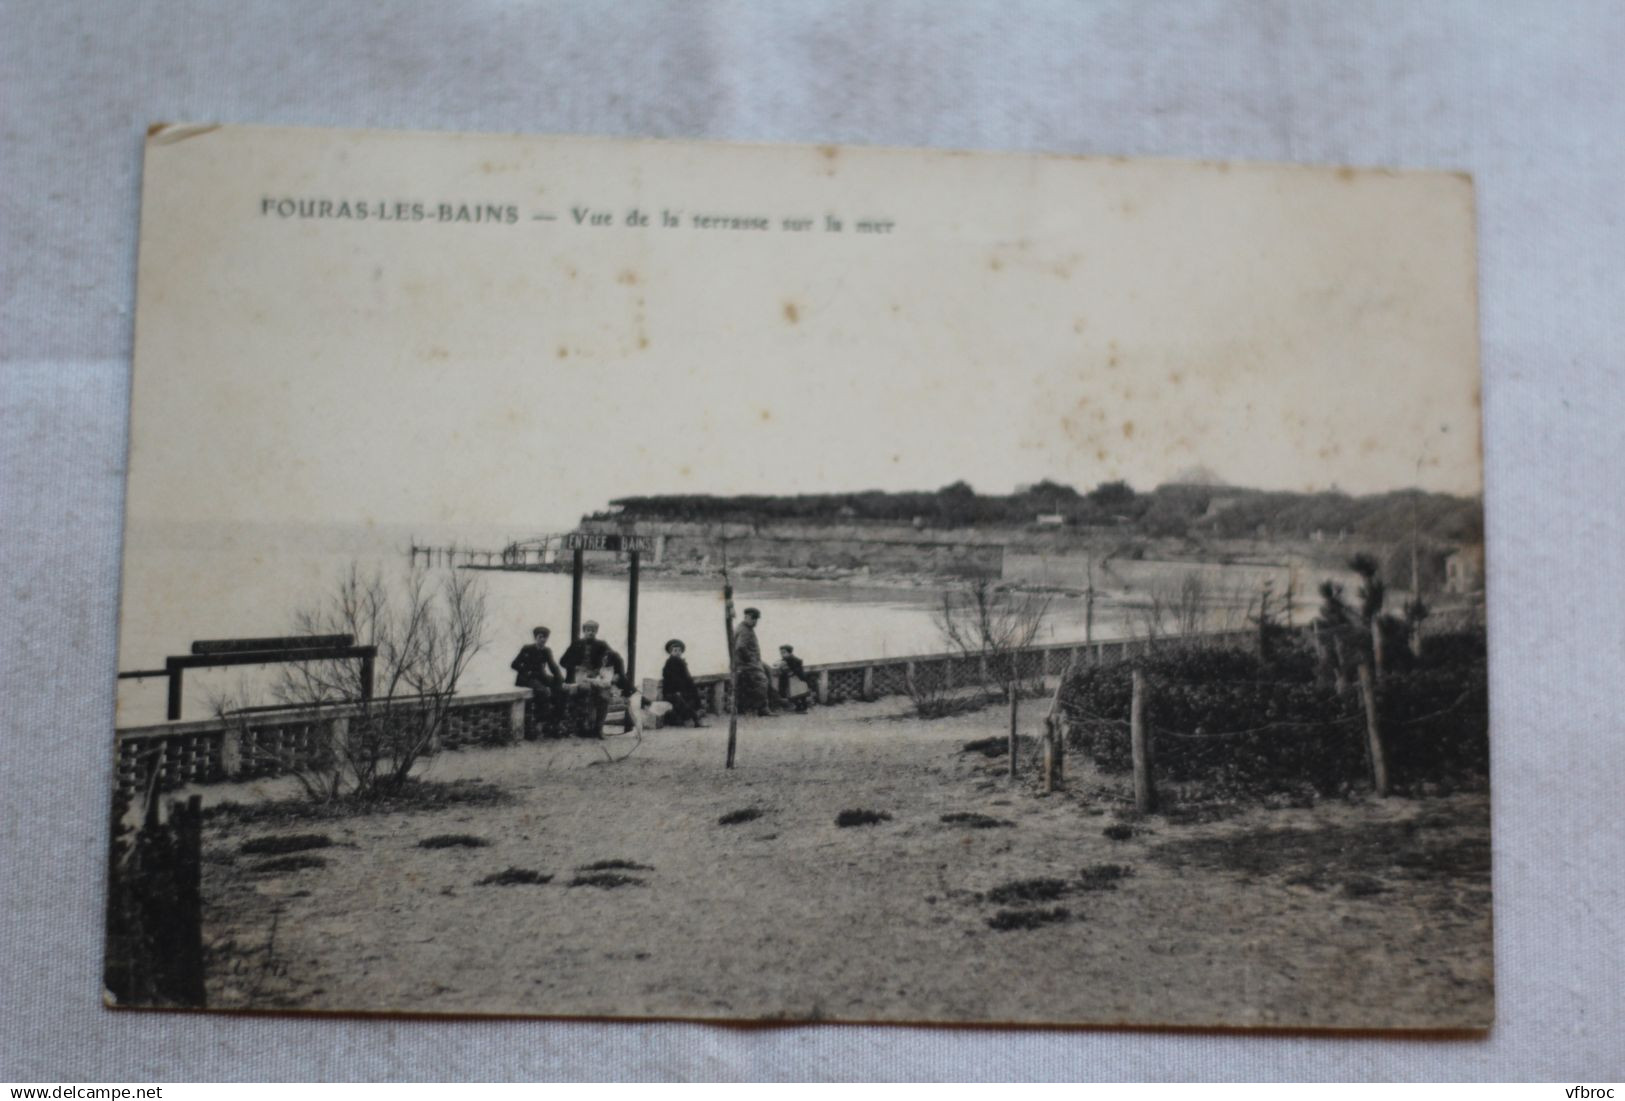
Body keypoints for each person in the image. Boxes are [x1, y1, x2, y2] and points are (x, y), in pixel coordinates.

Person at [559, 620, 627, 738]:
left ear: (596, 632)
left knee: (604, 697)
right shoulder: (576, 644)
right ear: (584, 631)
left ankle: (599, 729)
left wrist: (617, 673)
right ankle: (583, 729)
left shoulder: (602, 645)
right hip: (579, 677)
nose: (590, 633)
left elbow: (616, 658)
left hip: (596, 676)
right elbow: (563, 661)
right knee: (586, 692)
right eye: (588, 630)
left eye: (593, 630)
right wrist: (575, 667)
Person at [510, 626, 563, 739]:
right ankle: (538, 725)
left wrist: (560, 679)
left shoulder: (546, 651)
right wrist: (526, 670)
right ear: (536, 638)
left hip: (540, 677)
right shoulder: (527, 649)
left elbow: (553, 666)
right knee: (543, 692)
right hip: (526, 678)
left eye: (545, 637)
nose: (543, 640)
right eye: (541, 637)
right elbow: (514, 664)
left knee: (559, 689)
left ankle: (555, 724)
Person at [732, 607, 778, 717]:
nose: (755, 622)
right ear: (747, 617)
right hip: (745, 664)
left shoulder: (745, 627)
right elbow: (740, 648)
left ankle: (774, 701)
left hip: (750, 661)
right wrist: (751, 660)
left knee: (768, 669)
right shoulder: (744, 630)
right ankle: (763, 708)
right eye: (753, 619)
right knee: (762, 680)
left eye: (756, 619)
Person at [659, 639, 706, 728]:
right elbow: (670, 678)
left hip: (682, 689)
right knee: (683, 701)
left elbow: (687, 677)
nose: (677, 652)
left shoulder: (682, 662)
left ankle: (695, 719)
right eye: (675, 650)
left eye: (679, 650)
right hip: (672, 691)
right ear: (670, 652)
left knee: (693, 698)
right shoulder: (670, 662)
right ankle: (696, 719)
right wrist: (677, 690)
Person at [776, 644, 813, 713]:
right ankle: (799, 707)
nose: (782, 654)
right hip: (792, 680)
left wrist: (792, 672)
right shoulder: (784, 660)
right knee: (794, 694)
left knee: (801, 694)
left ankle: (803, 708)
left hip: (798, 679)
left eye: (784, 652)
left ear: (790, 653)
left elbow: (798, 668)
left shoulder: (795, 659)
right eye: (781, 653)